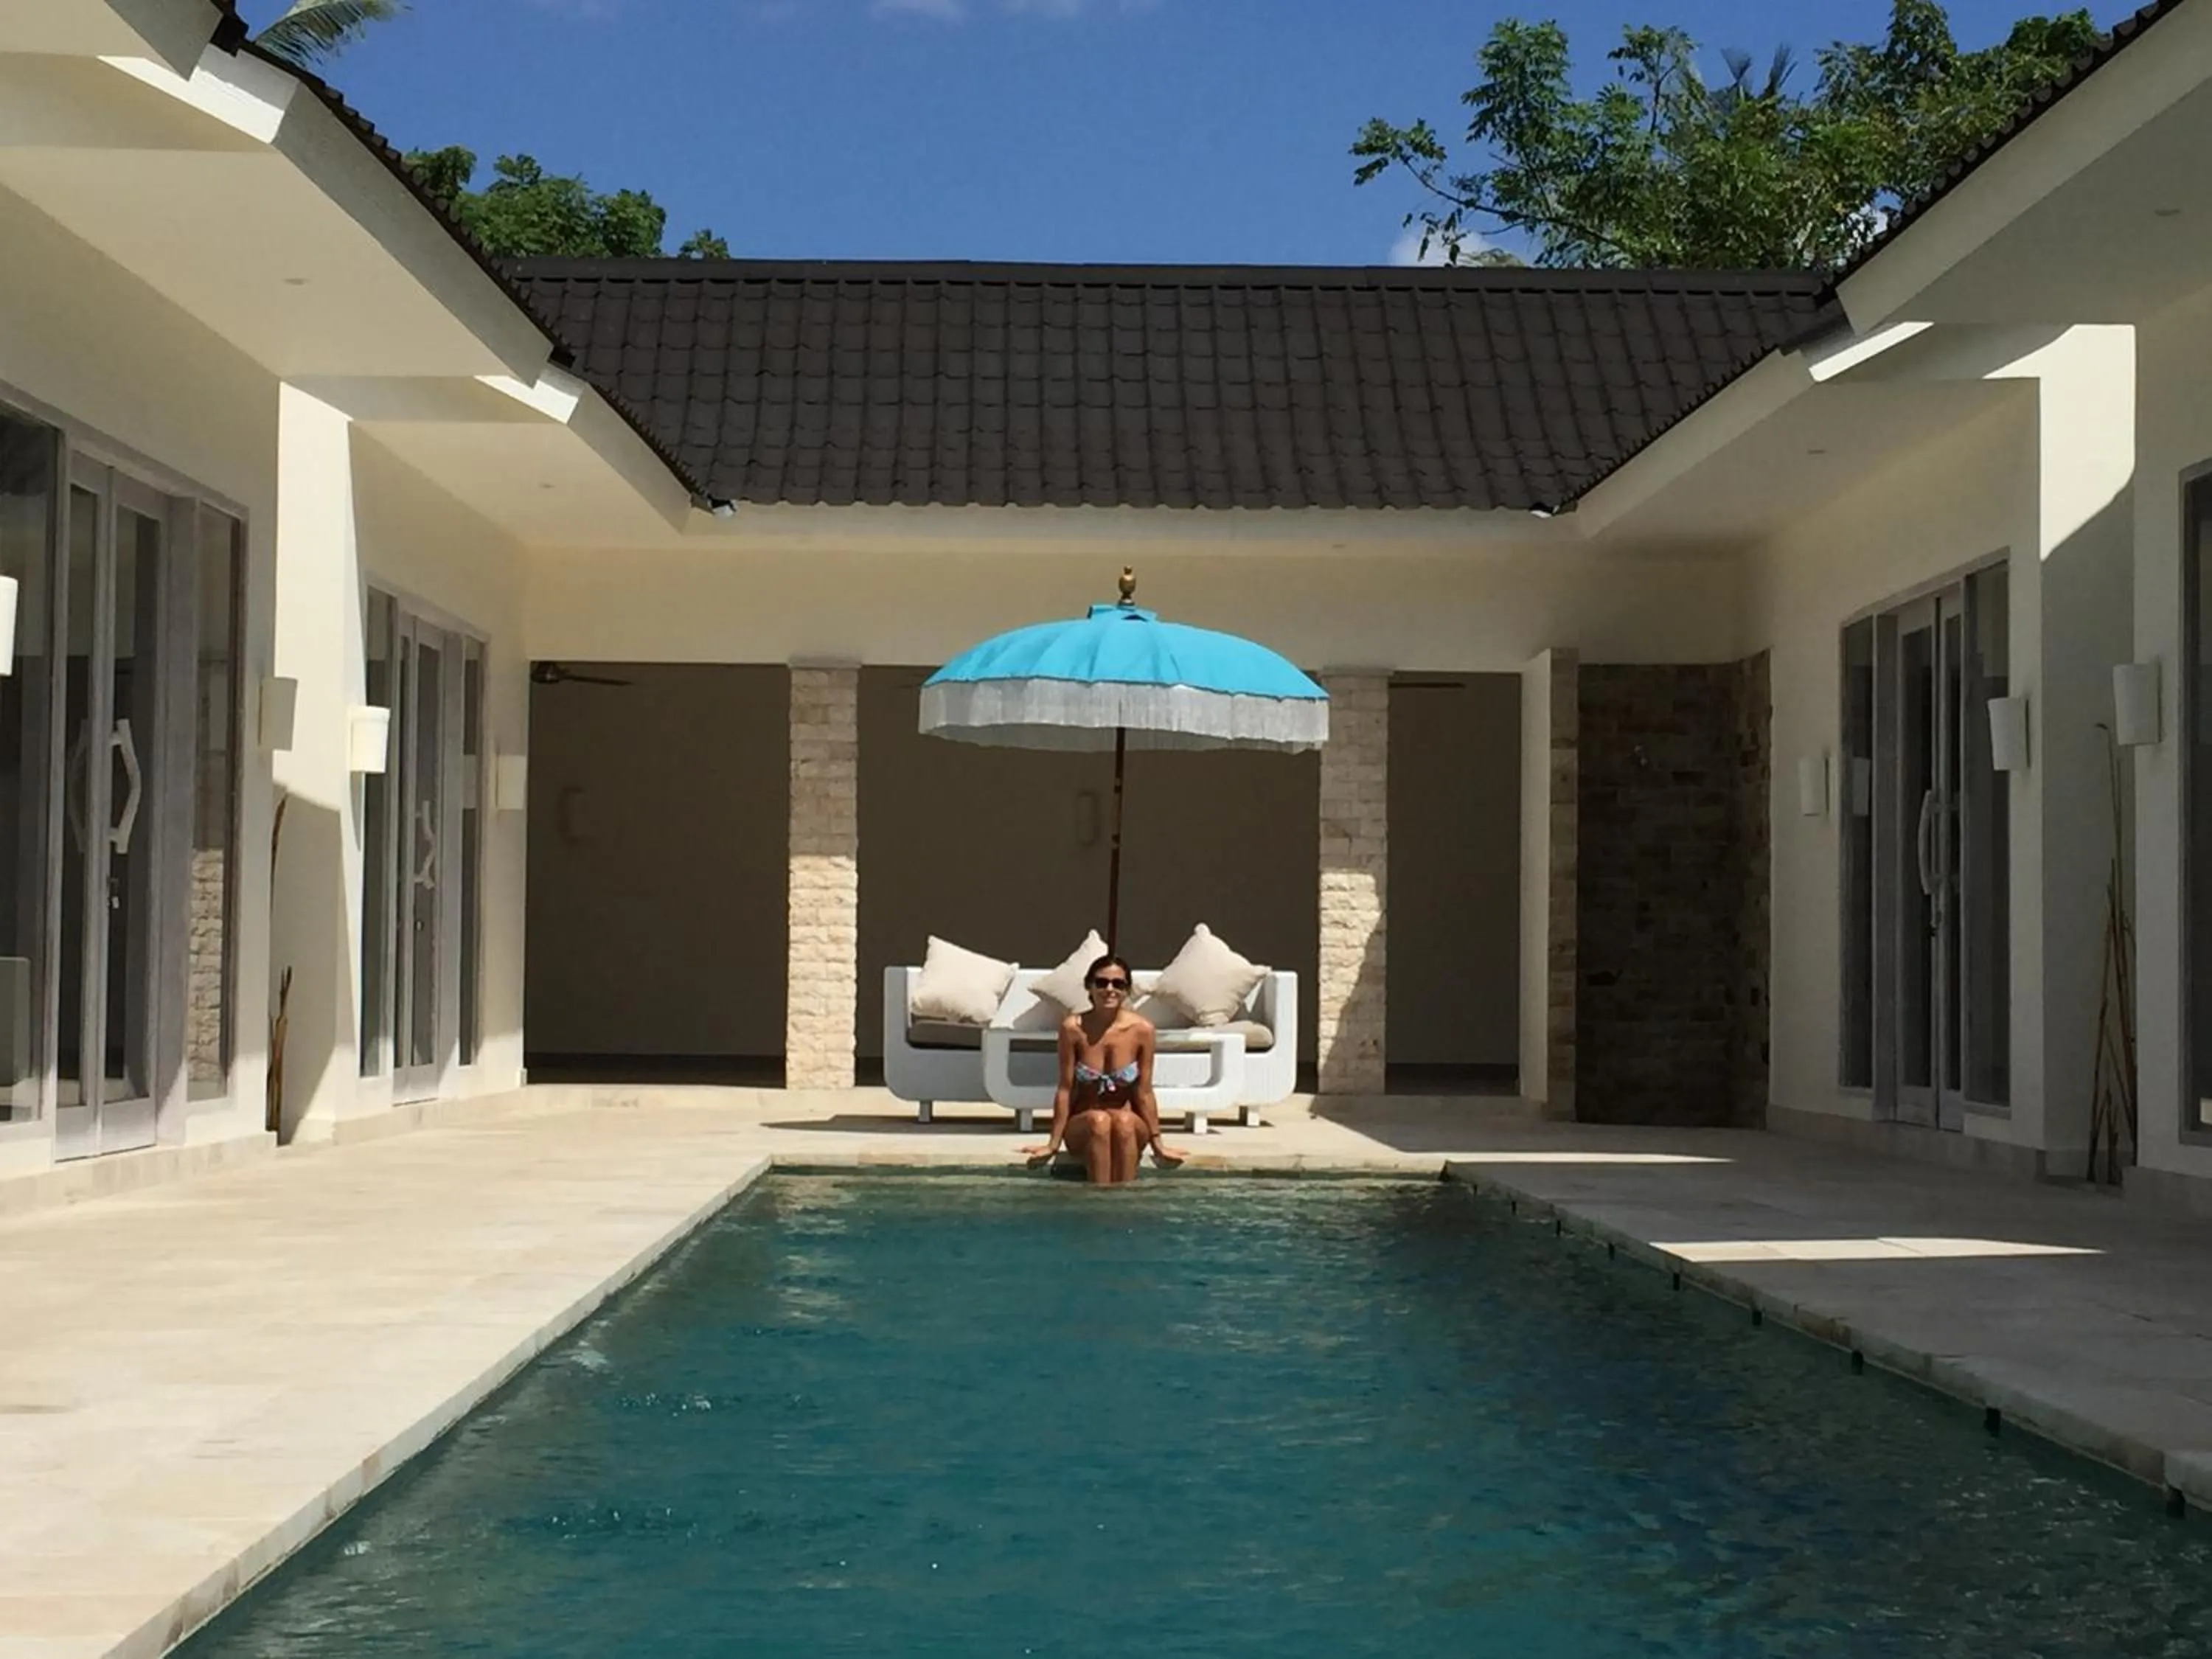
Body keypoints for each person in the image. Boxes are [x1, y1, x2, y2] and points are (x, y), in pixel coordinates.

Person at [1022, 954, 1186, 1184]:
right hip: (1084, 1122)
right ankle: (1101, 1201)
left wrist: (1158, 1144)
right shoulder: (1073, 1029)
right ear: (1089, 986)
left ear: (1127, 990)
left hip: (1128, 1124)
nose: (1110, 989)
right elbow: (1066, 1089)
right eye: (1102, 982)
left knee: (1124, 1122)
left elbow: (1144, 1091)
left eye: (1118, 984)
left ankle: (1124, 1201)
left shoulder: (1142, 1030)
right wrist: (1052, 1144)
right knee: (1100, 1121)